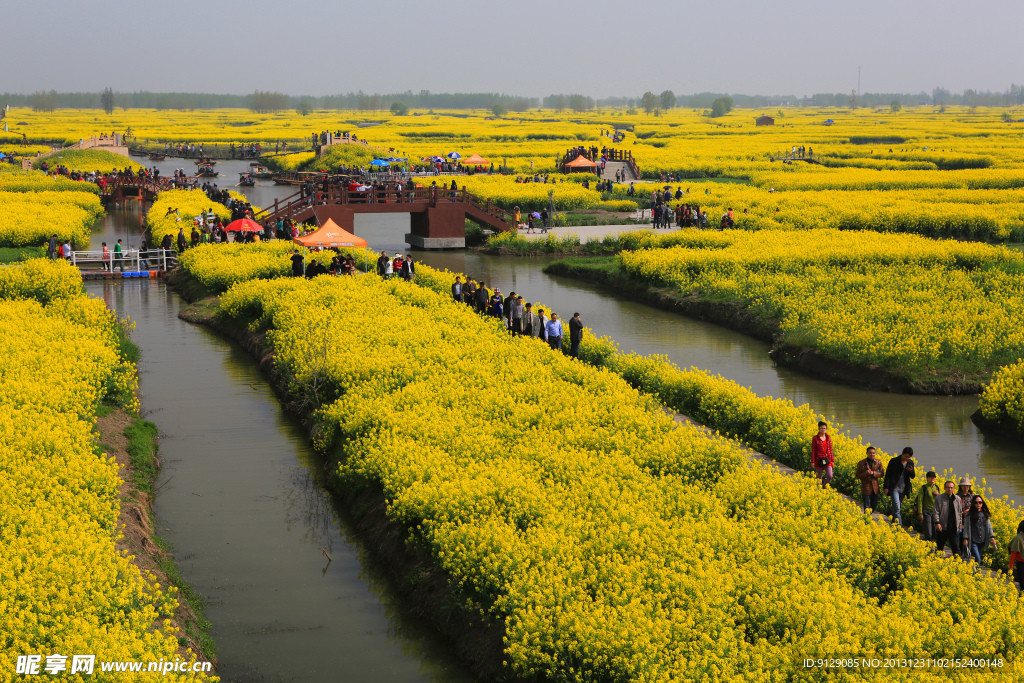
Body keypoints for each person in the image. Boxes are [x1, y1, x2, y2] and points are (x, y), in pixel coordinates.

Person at [883, 447, 916, 527]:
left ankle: (894, 523)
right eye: (905, 456)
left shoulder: (910, 463)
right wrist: (886, 487)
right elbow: (888, 475)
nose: (907, 458)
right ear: (902, 453)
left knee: (897, 507)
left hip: (904, 488)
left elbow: (913, 476)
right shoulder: (893, 461)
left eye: (908, 457)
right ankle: (899, 526)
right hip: (894, 488)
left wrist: (910, 471)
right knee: (897, 507)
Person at [962, 495, 997, 566]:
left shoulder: (985, 514)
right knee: (977, 558)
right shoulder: (969, 514)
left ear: (982, 503)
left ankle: (973, 571)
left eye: (980, 502)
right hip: (973, 540)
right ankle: (976, 572)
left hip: (982, 540)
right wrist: (965, 538)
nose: (978, 504)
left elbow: (989, 526)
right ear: (973, 503)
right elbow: (966, 527)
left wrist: (992, 537)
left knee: (977, 557)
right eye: (976, 502)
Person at [933, 480, 963, 555]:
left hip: (954, 527)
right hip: (942, 527)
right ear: (944, 488)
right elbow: (936, 511)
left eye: (951, 487)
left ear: (954, 488)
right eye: (948, 487)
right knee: (940, 547)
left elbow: (959, 513)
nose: (949, 489)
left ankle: (957, 564)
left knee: (956, 547)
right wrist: (937, 523)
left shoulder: (957, 499)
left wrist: (960, 525)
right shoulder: (939, 498)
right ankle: (937, 562)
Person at [855, 446, 884, 512]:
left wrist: (873, 473)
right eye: (870, 453)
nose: (872, 454)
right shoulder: (861, 463)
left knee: (874, 506)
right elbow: (858, 475)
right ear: (867, 453)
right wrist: (865, 473)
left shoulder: (878, 462)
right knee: (867, 506)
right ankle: (867, 520)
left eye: (873, 453)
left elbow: (882, 473)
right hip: (866, 487)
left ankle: (869, 518)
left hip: (875, 487)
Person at [914, 471, 940, 541]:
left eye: (933, 477)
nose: (932, 478)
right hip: (926, 512)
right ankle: (928, 546)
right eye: (930, 477)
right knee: (928, 532)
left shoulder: (936, 487)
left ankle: (932, 545)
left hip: (935, 512)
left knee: (935, 532)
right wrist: (920, 513)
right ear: (927, 478)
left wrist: (938, 495)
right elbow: (920, 501)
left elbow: (940, 500)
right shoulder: (923, 488)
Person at [810, 421, 834, 489]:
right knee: (819, 478)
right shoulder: (815, 438)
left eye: (824, 428)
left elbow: (830, 450)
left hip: (827, 460)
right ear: (819, 429)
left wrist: (832, 460)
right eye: (821, 428)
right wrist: (813, 462)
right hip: (819, 460)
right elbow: (813, 451)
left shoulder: (828, 438)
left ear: (826, 429)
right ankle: (819, 492)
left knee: (830, 476)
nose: (823, 430)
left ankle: (824, 487)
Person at [1009, 520, 1024, 594]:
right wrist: (1011, 567)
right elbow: (1013, 554)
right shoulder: (1018, 539)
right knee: (1023, 585)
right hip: (1021, 564)